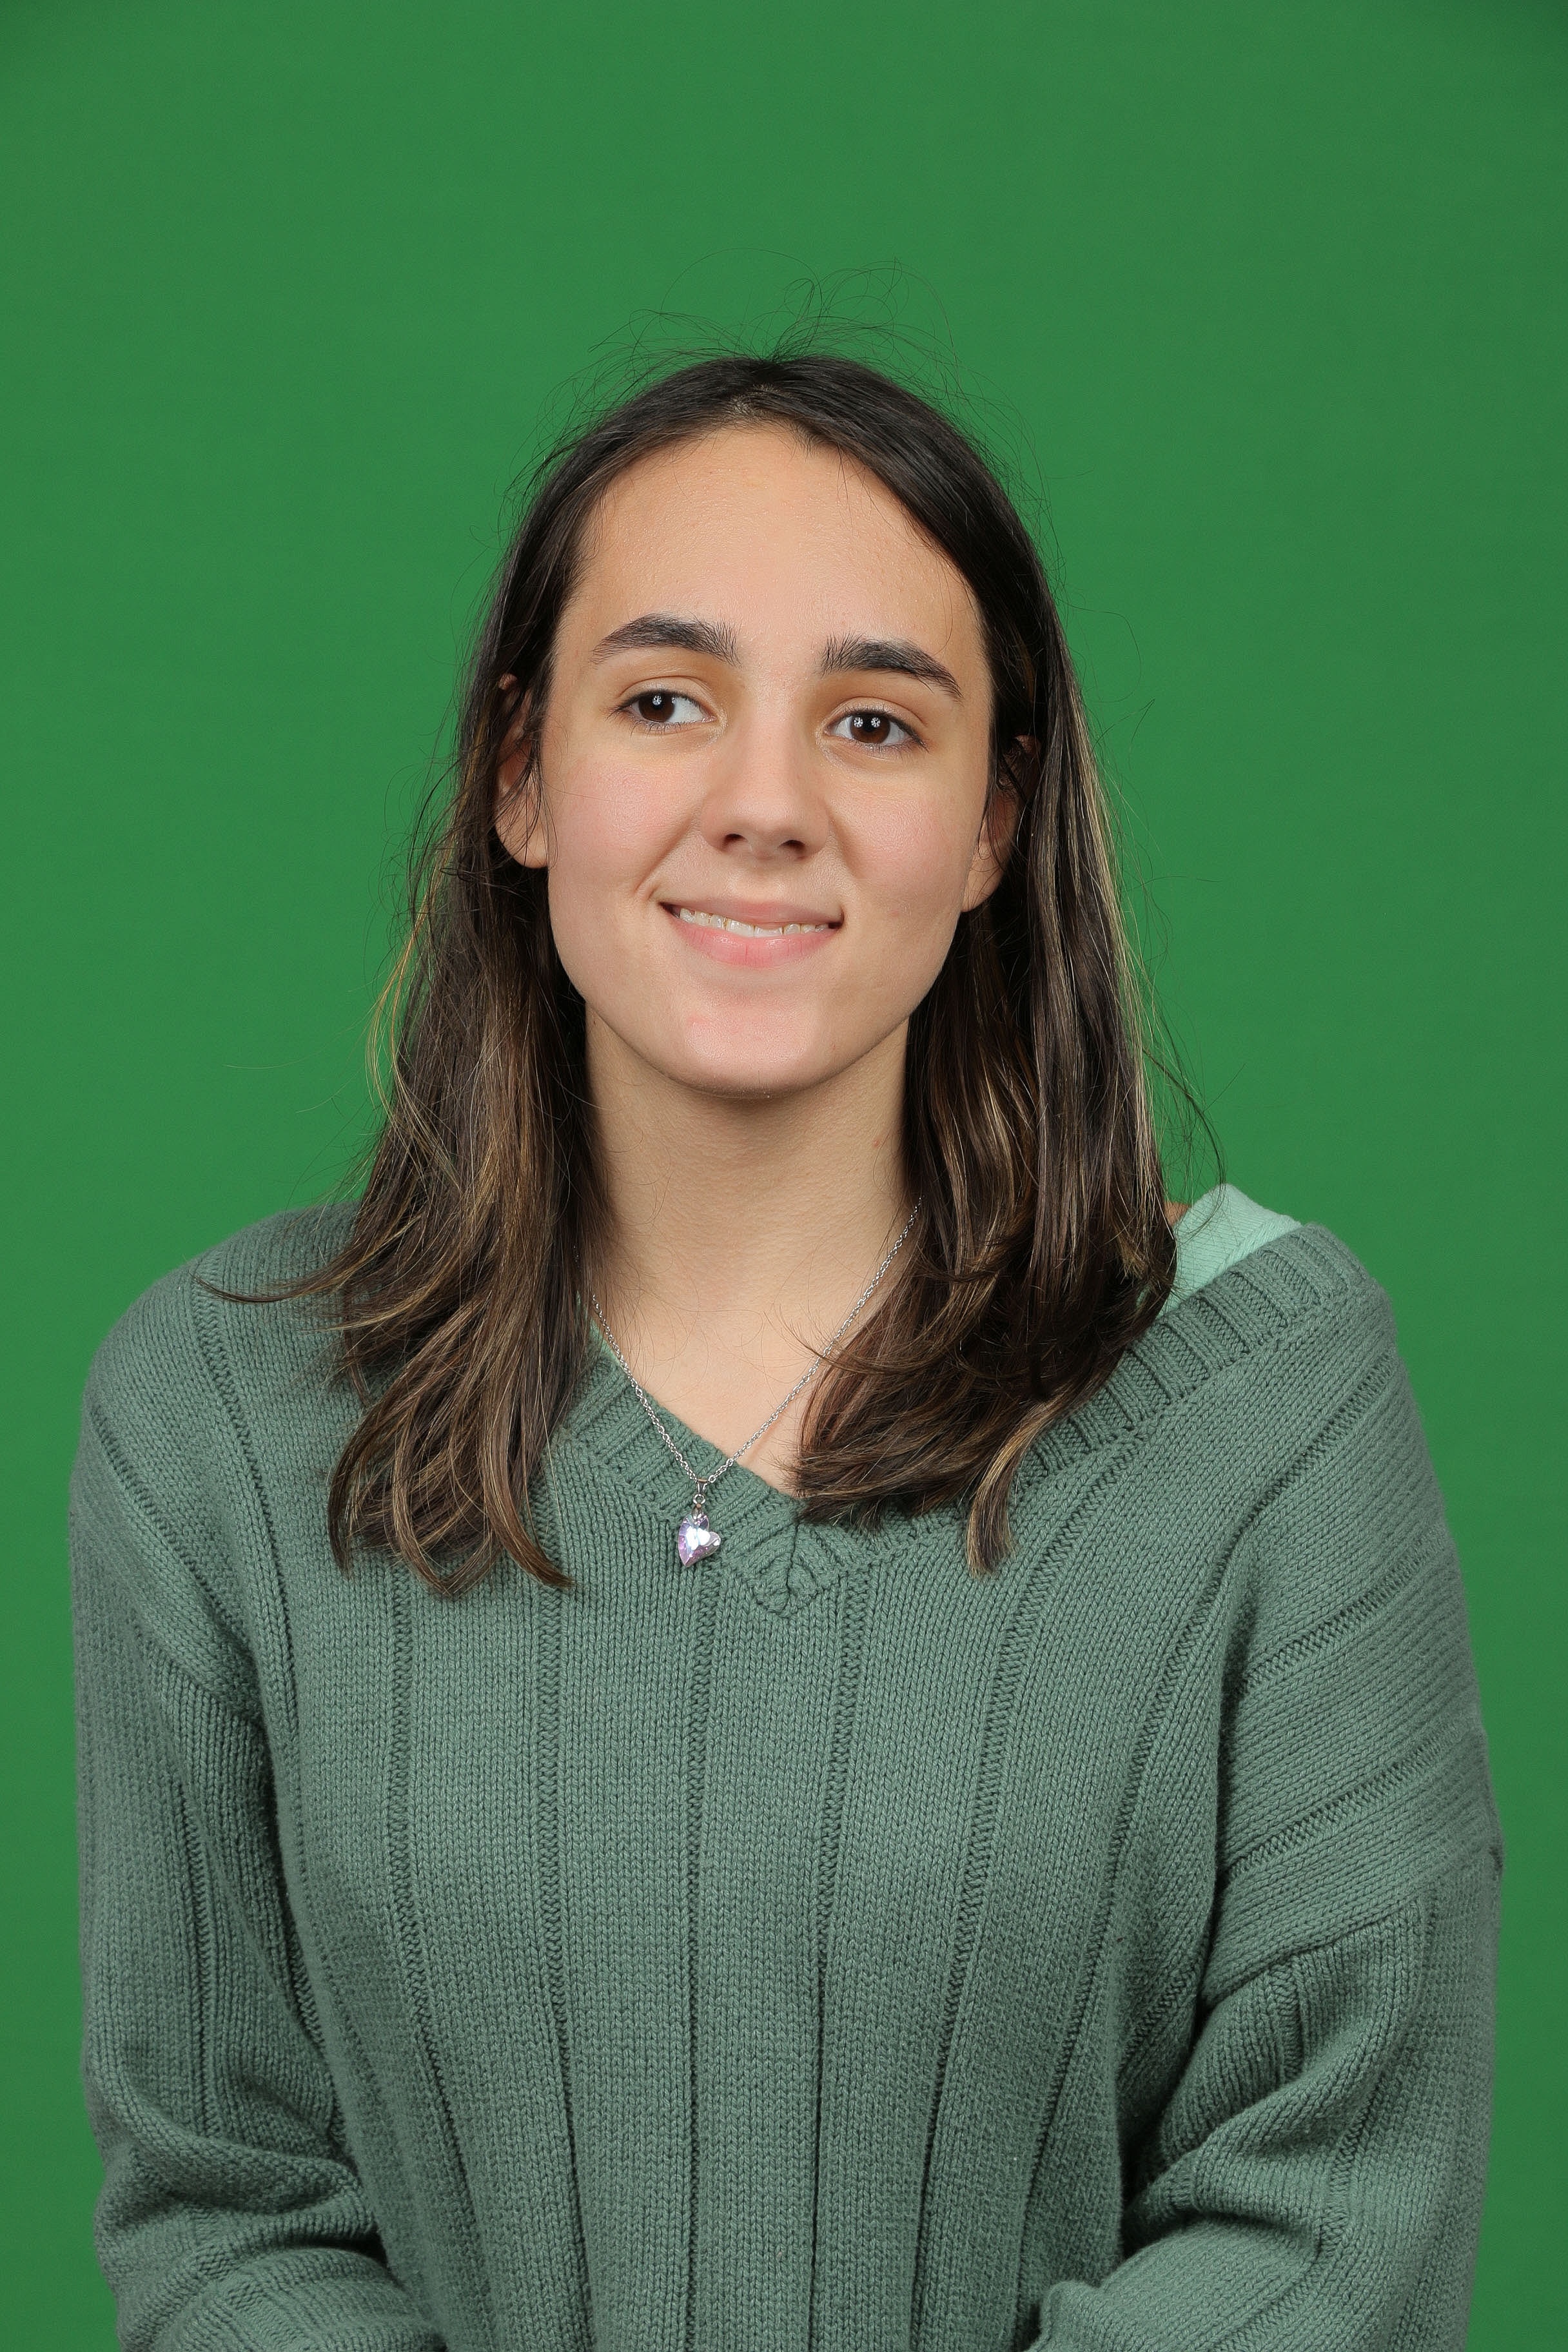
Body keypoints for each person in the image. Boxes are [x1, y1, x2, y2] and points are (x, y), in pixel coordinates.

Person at [70, 352, 1500, 2352]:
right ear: (520, 776)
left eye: (874, 723)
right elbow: (227, 2210)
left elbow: (1334, 2214)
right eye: (665, 701)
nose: (763, 806)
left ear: (993, 823)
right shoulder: (216, 1418)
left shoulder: (1273, 1399)